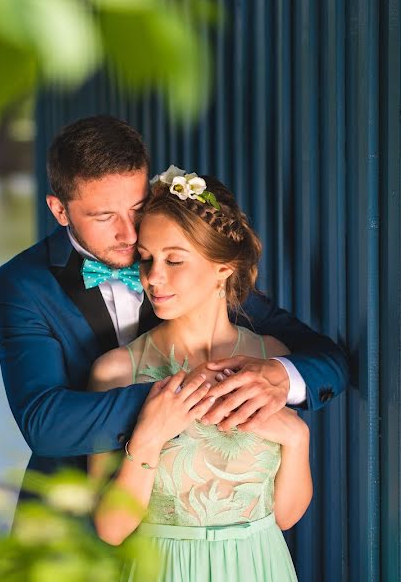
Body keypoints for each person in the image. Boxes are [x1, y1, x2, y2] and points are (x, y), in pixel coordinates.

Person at [0, 115, 346, 525]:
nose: (129, 233)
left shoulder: (191, 267)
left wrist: (279, 377)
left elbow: (328, 359)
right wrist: (187, 395)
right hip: (72, 529)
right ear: (59, 210)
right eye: (105, 216)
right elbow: (44, 422)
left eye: (138, 207)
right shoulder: (22, 285)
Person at [89, 172, 308, 580]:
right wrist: (150, 436)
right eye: (147, 258)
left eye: (174, 260)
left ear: (223, 268)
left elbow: (285, 517)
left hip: (260, 565)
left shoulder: (272, 359)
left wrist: (297, 439)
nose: (153, 277)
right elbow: (112, 529)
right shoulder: (116, 370)